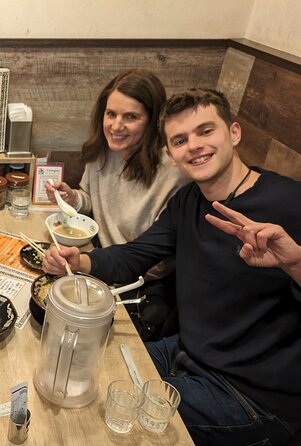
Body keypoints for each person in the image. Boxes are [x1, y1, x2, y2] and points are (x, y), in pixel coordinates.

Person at [43, 89, 301, 445]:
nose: (193, 146)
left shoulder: (289, 202)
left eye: (205, 131)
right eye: (180, 140)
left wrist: (297, 264)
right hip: (186, 350)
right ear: (172, 154)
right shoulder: (189, 200)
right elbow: (137, 253)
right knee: (80, 368)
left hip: (250, 391)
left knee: (104, 422)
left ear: (235, 133)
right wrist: (81, 260)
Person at [46, 69, 188, 340]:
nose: (116, 126)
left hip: (137, 286)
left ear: (152, 121)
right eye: (111, 114)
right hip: (97, 264)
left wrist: (95, 266)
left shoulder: (173, 173)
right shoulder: (102, 151)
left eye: (130, 117)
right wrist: (73, 199)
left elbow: (156, 259)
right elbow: (90, 201)